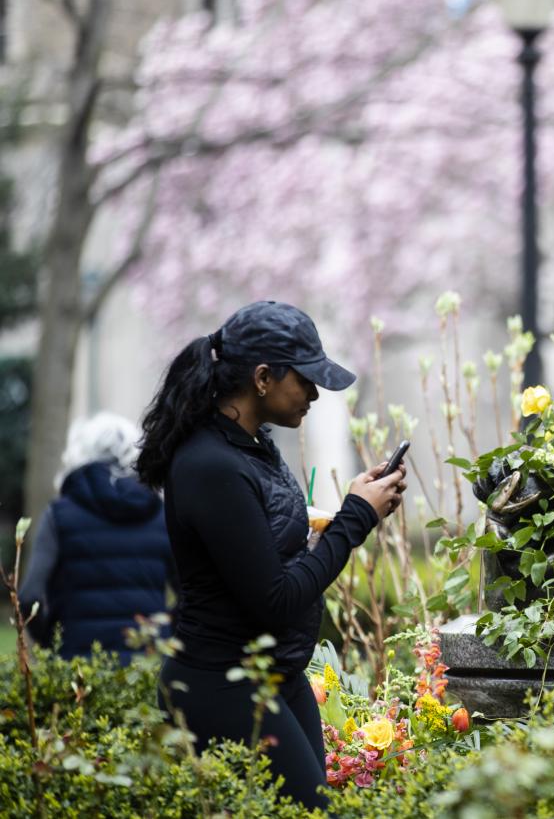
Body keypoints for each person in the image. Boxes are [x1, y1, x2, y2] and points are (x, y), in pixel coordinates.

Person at [135, 300, 405, 811]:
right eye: (305, 380)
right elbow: (274, 600)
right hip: (223, 683)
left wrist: (343, 515)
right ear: (262, 378)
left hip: (278, 674)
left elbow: (264, 551)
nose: (315, 394)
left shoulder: (250, 445)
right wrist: (354, 519)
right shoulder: (211, 465)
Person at [18, 412, 173, 663]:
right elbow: (190, 592)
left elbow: (29, 597)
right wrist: (167, 636)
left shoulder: (59, 515)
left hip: (79, 667)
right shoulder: (160, 513)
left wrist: (51, 643)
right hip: (147, 666)